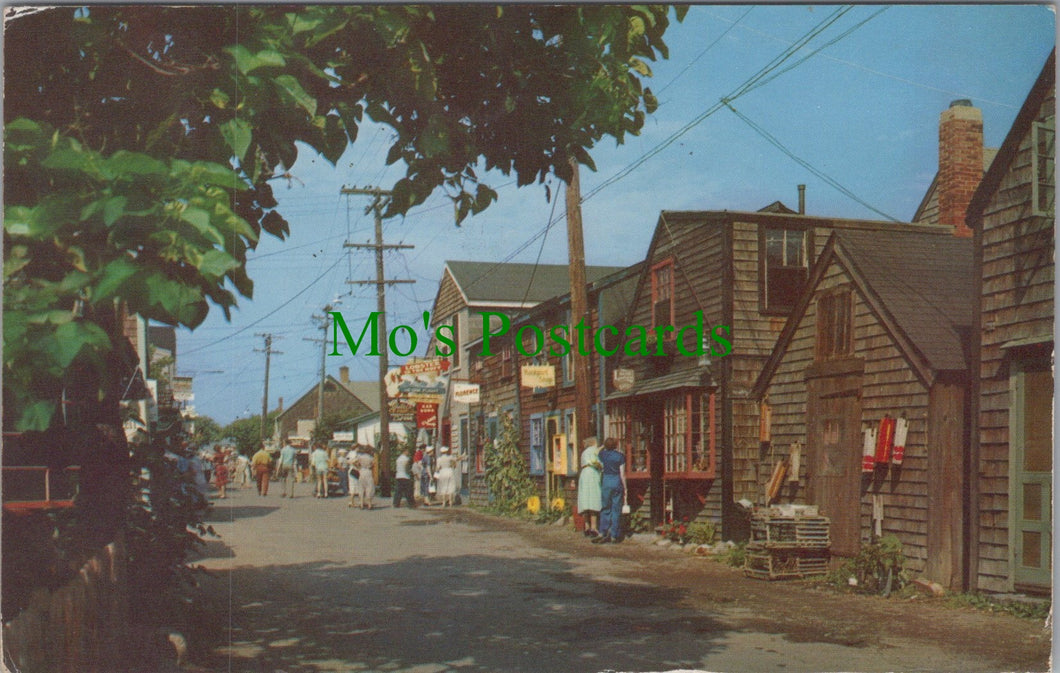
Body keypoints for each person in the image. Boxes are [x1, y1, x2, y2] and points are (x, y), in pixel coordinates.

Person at [593, 437, 627, 544]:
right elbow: (622, 474)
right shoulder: (620, 456)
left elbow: (596, 451)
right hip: (616, 480)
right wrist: (625, 487)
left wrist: (604, 446)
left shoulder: (603, 454)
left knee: (605, 508)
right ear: (616, 445)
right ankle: (614, 535)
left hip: (606, 481)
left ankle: (602, 532)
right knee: (616, 509)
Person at [577, 436, 603, 537]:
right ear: (594, 443)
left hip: (584, 474)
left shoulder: (584, 453)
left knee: (585, 500)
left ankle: (586, 526)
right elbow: (595, 462)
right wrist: (601, 466)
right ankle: (594, 527)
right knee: (593, 500)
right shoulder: (594, 450)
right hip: (592, 473)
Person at [351, 445, 376, 509]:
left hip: (361, 471)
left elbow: (353, 462)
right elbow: (373, 464)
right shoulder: (371, 458)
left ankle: (361, 504)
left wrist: (358, 467)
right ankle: (369, 504)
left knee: (361, 487)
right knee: (369, 487)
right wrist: (370, 466)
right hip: (368, 471)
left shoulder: (360, 457)